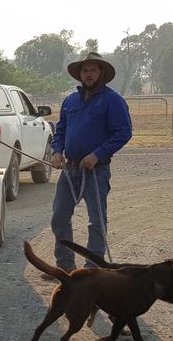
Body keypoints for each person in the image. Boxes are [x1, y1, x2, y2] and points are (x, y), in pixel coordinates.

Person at [48, 52, 132, 274]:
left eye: (93, 70)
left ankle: (93, 270)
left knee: (96, 221)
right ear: (80, 74)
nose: (89, 74)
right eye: (85, 70)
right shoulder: (70, 100)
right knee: (59, 218)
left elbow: (123, 132)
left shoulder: (113, 100)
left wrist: (97, 154)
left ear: (101, 73)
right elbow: (61, 129)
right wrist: (57, 151)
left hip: (96, 171)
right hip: (69, 170)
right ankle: (65, 268)